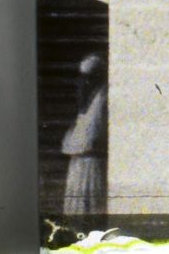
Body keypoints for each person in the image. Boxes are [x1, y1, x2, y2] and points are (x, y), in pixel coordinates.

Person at [61, 52, 107, 219]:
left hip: (93, 166)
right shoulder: (86, 99)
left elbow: (92, 138)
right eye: (82, 78)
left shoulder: (103, 98)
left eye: (89, 78)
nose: (83, 83)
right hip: (79, 165)